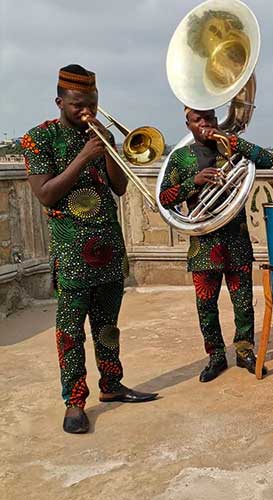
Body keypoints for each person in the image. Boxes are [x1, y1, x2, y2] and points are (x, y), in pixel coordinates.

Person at [22, 64, 157, 434]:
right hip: (72, 251)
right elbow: (46, 193)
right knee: (70, 331)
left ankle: (111, 385)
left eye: (93, 105)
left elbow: (120, 188)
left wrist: (109, 149)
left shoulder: (100, 137)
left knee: (108, 326)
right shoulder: (39, 139)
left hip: (109, 246)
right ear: (60, 101)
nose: (88, 112)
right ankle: (75, 401)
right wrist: (83, 156)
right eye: (79, 105)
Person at [159, 107, 273, 382]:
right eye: (197, 120)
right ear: (188, 124)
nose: (205, 124)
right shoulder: (180, 158)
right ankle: (215, 356)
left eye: (209, 118)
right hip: (203, 244)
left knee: (243, 302)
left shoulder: (231, 150)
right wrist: (193, 182)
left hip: (236, 240)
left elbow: (267, 159)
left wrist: (230, 138)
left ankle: (245, 350)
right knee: (206, 306)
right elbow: (164, 199)